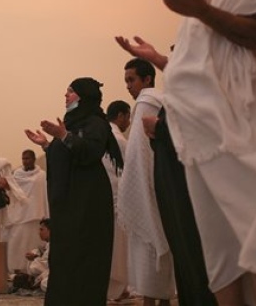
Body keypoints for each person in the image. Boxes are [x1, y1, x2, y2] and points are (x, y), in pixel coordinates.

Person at [116, 0, 256, 306]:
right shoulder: (193, 13)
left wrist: (202, 10)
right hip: (199, 141)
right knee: (217, 246)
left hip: (240, 127)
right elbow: (200, 71)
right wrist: (158, 59)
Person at [25, 77, 122, 306]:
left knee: (84, 259)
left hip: (88, 203)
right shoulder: (74, 125)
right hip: (70, 205)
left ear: (84, 96)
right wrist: (48, 145)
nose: (65, 95)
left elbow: (89, 152)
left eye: (70, 92)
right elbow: (68, 158)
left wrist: (62, 136)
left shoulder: (96, 123)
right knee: (66, 259)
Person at [117, 58, 175, 306]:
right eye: (126, 81)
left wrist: (141, 186)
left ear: (147, 79)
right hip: (159, 185)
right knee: (157, 248)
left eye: (131, 80)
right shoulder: (159, 101)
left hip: (150, 188)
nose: (128, 86)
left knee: (152, 247)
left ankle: (152, 302)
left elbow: (142, 156)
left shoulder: (146, 103)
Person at [4, 149, 49, 273]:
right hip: (19, 216)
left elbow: (44, 195)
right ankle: (15, 271)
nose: (25, 161)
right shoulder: (17, 175)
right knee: (16, 245)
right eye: (23, 158)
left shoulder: (41, 175)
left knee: (33, 244)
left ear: (33, 159)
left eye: (27, 158)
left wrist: (46, 214)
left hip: (35, 216)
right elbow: (12, 193)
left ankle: (31, 272)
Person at [104, 100, 130, 301]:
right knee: (118, 246)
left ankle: (116, 286)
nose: (128, 122)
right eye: (127, 117)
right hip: (116, 198)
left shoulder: (101, 134)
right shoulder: (119, 140)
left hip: (105, 197)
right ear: (120, 116)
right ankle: (117, 288)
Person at [25, 217, 51, 293]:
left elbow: (48, 265)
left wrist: (35, 258)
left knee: (44, 283)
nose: (39, 232)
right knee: (35, 251)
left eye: (42, 229)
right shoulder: (48, 245)